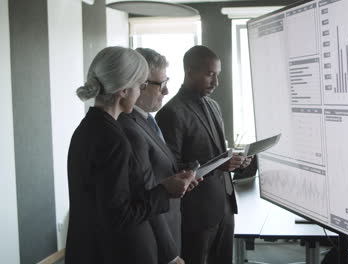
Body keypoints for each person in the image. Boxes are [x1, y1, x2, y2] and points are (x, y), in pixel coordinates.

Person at [66, 46, 195, 264]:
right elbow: (119, 214)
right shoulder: (113, 138)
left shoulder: (87, 128)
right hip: (118, 252)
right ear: (123, 90)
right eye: (140, 85)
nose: (140, 92)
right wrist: (165, 190)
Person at [156, 45, 251, 264]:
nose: (216, 82)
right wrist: (218, 165)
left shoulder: (214, 106)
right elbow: (170, 168)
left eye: (218, 75)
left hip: (224, 207)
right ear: (190, 71)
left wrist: (236, 159)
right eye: (210, 74)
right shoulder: (171, 113)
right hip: (196, 213)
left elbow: (215, 152)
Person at [118, 48, 199, 264]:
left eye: (167, 81)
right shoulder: (128, 127)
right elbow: (143, 195)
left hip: (169, 225)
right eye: (160, 84)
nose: (166, 91)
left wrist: (181, 176)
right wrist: (170, 254)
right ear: (138, 83)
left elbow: (159, 173)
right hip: (154, 242)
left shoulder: (146, 120)